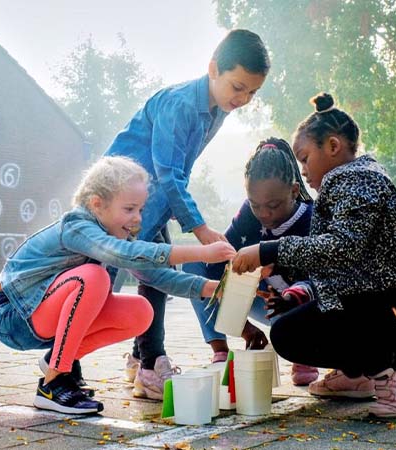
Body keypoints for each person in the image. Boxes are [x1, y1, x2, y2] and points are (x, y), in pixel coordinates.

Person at [232, 93, 396, 419]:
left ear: (332, 147)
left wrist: (267, 250)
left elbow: (342, 249)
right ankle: (357, 375)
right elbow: (338, 264)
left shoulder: (356, 179)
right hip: (382, 300)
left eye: (304, 158)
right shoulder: (345, 182)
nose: (303, 171)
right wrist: (289, 283)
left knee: (291, 334)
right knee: (290, 328)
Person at [0, 156, 236, 414]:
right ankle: (53, 384)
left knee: (141, 312)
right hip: (13, 315)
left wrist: (213, 288)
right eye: (129, 209)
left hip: (40, 314)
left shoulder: (110, 233)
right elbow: (124, 254)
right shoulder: (78, 226)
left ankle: (56, 360)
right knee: (94, 278)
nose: (137, 218)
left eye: (140, 209)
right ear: (97, 204)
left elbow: (157, 276)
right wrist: (203, 252)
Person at [104, 29, 271, 399]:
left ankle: (142, 360)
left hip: (153, 206)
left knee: (158, 278)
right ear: (213, 68)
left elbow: (176, 173)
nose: (243, 99)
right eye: (238, 87)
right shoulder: (180, 103)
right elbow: (168, 171)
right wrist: (199, 227)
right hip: (120, 206)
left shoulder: (218, 110)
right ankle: (68, 369)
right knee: (100, 284)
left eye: (252, 93)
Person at [183, 137, 319, 386]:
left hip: (296, 307)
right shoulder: (249, 214)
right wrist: (242, 325)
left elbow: (319, 282)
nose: (264, 214)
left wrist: (277, 270)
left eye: (273, 205)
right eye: (256, 205)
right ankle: (220, 351)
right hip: (263, 299)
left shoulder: (312, 219)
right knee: (194, 265)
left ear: (294, 191)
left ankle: (303, 352)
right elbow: (217, 264)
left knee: (302, 307)